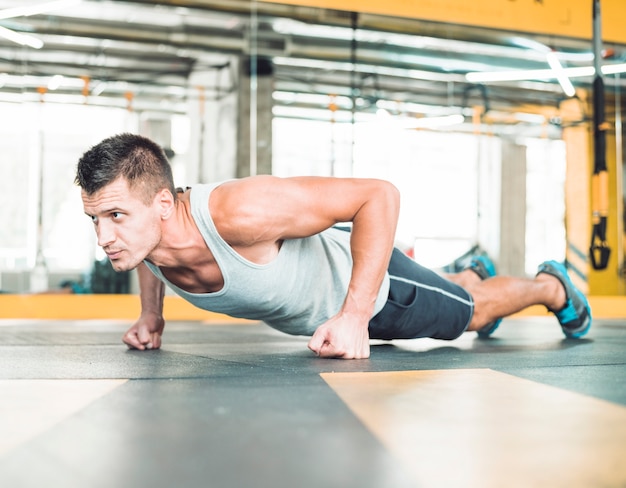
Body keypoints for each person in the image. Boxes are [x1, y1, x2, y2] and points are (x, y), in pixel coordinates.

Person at [75, 133, 592, 359]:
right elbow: (151, 255)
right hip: (334, 279)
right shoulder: (146, 235)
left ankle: (551, 285)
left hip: (374, 290)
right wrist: (152, 316)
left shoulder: (241, 212)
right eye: (95, 219)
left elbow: (378, 196)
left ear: (164, 204)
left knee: (470, 316)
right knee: (455, 292)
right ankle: (468, 273)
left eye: (116, 216)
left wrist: (354, 315)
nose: (105, 238)